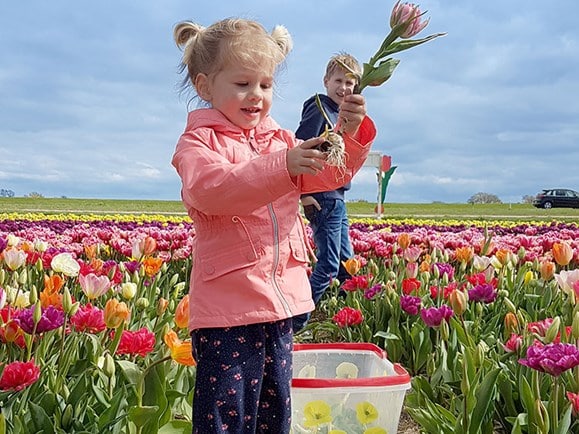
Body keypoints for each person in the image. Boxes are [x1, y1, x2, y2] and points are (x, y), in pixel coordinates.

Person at [171, 18, 376, 434]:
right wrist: (281, 166)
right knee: (226, 414)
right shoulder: (198, 143)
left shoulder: (281, 138)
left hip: (281, 300)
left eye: (265, 85)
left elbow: (325, 174)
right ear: (204, 86)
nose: (257, 96)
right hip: (228, 306)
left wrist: (347, 134)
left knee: (274, 407)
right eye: (243, 83)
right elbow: (211, 189)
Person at [292, 53, 363, 333]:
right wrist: (302, 194)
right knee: (329, 265)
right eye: (338, 81)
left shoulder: (340, 113)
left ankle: (348, 319)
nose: (343, 88)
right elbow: (302, 145)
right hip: (321, 196)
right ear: (326, 81)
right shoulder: (319, 108)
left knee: (347, 263)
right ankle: (296, 322)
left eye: (350, 83)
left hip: (337, 197)